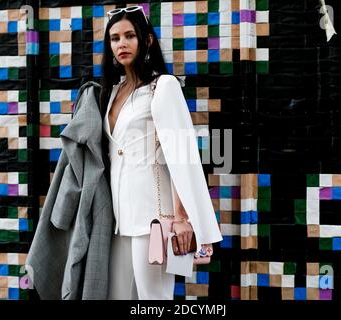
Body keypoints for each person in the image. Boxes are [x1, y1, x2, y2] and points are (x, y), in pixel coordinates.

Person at [100, 6, 222, 300]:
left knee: (154, 301)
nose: (122, 44)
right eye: (115, 38)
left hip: (154, 221)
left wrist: (182, 218)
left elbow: (181, 156)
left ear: (147, 41)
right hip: (118, 222)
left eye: (130, 35)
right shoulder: (112, 92)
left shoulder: (163, 86)